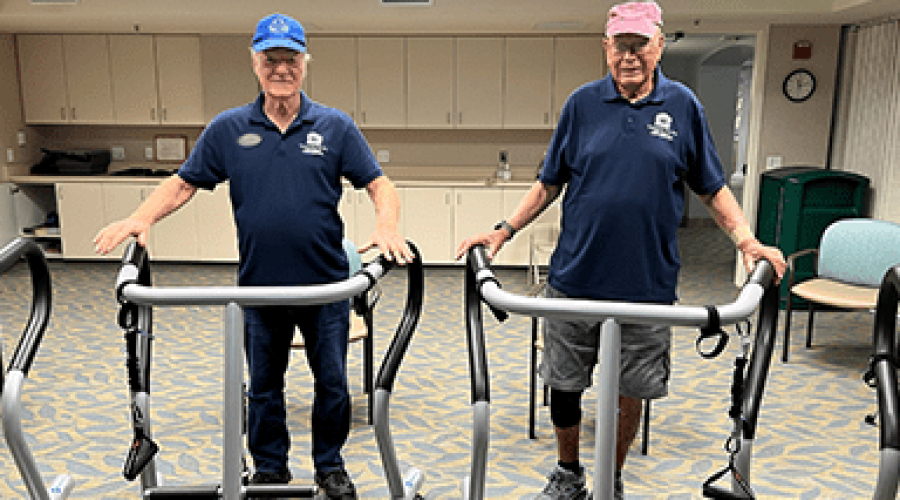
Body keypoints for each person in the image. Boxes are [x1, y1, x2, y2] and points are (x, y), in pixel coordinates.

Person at [455, 2, 786, 499]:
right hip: (574, 278)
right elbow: (548, 184)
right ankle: (568, 472)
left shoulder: (684, 107)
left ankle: (611, 474)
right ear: (606, 48)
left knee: (631, 392)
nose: (630, 56)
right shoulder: (581, 105)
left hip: (647, 285)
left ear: (658, 46)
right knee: (564, 387)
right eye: (621, 45)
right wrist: (502, 231)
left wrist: (745, 239)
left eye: (640, 45)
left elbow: (712, 188)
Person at [93, 13, 412, 500]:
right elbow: (184, 183)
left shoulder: (334, 126)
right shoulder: (228, 129)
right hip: (259, 287)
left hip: (326, 286)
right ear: (255, 64)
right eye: (271, 59)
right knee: (263, 387)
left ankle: (330, 464)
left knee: (332, 384)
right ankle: (270, 469)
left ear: (305, 63)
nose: (281, 68)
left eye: (290, 59)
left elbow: (378, 182)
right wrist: (143, 217)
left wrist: (386, 225)